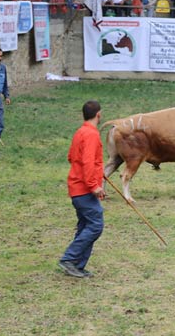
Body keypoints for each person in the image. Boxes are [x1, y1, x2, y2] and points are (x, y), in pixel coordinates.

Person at [58, 100, 106, 278]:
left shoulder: (80, 132)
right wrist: (93, 185)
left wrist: (97, 172)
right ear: (98, 115)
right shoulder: (92, 135)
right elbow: (86, 161)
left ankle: (77, 265)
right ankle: (69, 259)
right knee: (95, 225)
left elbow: (72, 157)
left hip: (77, 187)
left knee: (85, 225)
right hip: (84, 189)